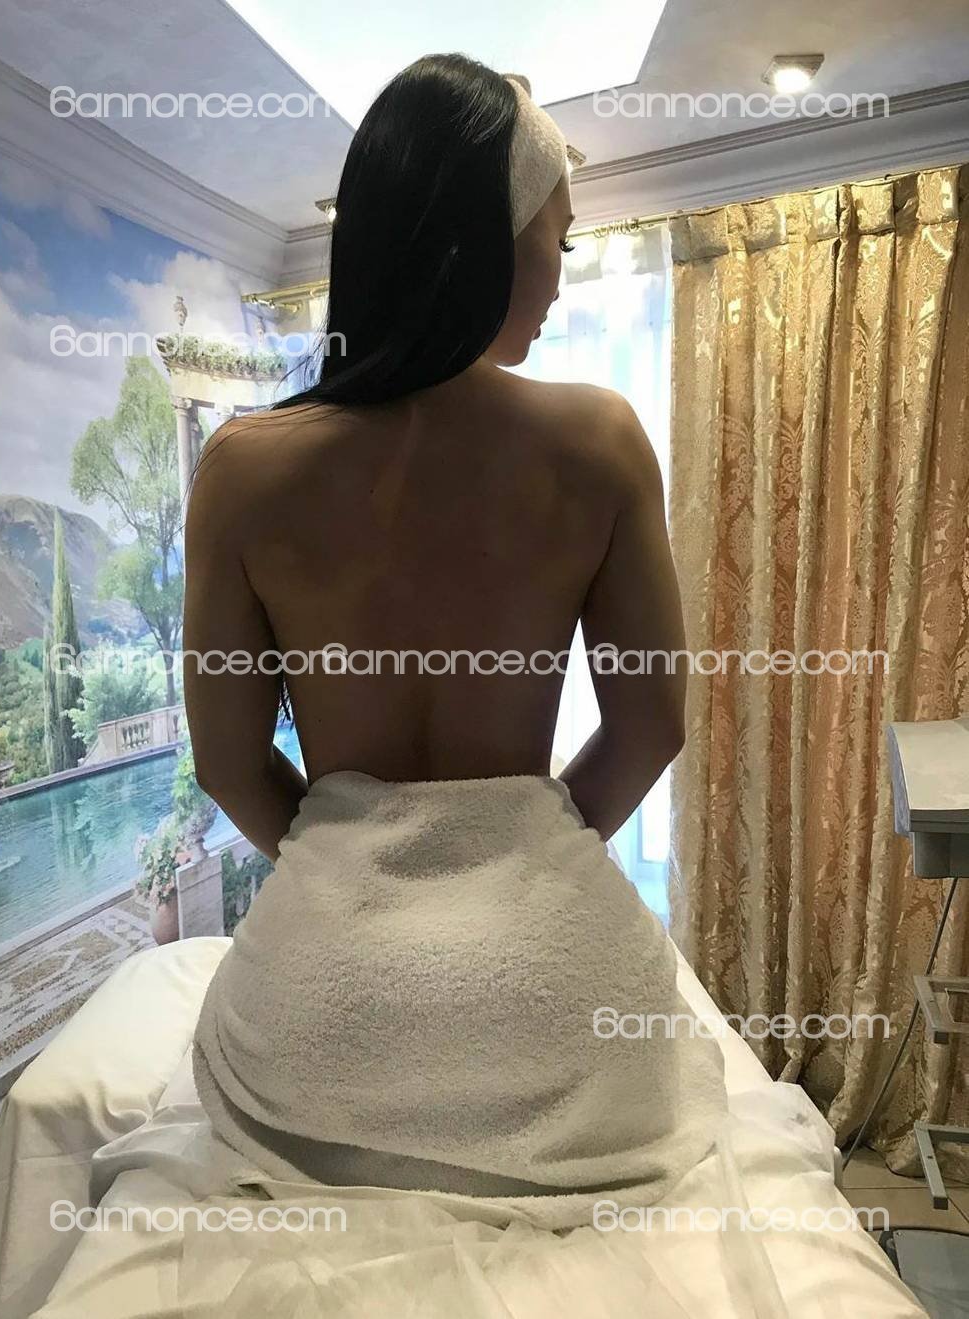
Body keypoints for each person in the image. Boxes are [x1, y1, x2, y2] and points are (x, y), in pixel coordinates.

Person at [184, 52, 726, 1230]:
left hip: (326, 1021)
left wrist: (344, 858)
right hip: (559, 1013)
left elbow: (227, 761)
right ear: (487, 238)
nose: (562, 276)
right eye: (557, 239)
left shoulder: (241, 470)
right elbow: (652, 725)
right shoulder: (599, 442)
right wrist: (523, 850)